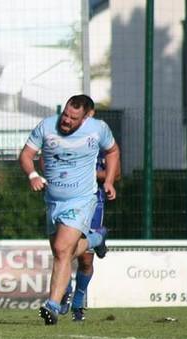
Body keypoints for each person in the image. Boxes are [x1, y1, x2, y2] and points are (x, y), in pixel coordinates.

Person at [18, 94, 119, 325]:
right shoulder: (46, 126)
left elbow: (113, 152)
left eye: (73, 118)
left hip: (82, 200)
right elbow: (26, 155)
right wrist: (33, 174)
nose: (66, 120)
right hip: (53, 200)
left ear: (85, 118)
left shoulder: (98, 130)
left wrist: (109, 181)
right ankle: (96, 238)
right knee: (60, 251)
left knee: (63, 250)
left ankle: (52, 306)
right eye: (65, 114)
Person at [59, 148, 119, 322]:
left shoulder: (103, 140)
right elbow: (44, 161)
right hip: (65, 199)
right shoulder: (61, 138)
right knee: (63, 249)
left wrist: (85, 174)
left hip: (93, 202)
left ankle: (77, 303)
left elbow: (115, 173)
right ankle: (65, 289)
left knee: (85, 259)